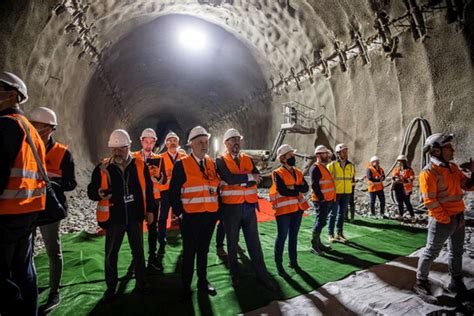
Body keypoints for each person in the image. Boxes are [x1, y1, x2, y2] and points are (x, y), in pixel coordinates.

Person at [87, 129, 155, 302]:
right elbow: (91, 191)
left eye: (121, 148)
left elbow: (149, 189)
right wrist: (98, 193)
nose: (117, 152)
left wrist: (150, 211)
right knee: (111, 254)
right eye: (114, 149)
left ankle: (142, 283)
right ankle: (111, 287)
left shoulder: (140, 165)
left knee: (138, 252)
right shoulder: (103, 167)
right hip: (114, 218)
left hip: (134, 217)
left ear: (129, 147)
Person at [0, 71, 46, 316]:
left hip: (6, 214)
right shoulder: (31, 130)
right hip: (28, 212)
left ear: (13, 95)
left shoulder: (6, 126)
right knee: (23, 271)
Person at [414, 133, 474, 304]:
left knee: (456, 251)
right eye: (448, 147)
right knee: (431, 251)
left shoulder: (453, 168)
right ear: (437, 151)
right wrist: (445, 219)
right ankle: (420, 281)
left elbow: (467, 186)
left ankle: (456, 281)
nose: (453, 150)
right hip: (443, 220)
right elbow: (430, 201)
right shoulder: (428, 173)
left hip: (458, 217)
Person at [29, 107, 77, 313]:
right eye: (34, 126)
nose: (37, 131)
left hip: (50, 210)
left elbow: (71, 183)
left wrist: (55, 184)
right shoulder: (24, 148)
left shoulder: (62, 153)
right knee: (25, 253)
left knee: (52, 251)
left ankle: (54, 291)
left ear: (52, 129)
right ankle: (27, 289)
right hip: (27, 207)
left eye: (42, 128)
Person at [216, 128, 274, 289]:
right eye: (232, 139)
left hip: (249, 207)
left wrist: (239, 180)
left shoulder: (247, 159)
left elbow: (258, 178)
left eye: (237, 139)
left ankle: (262, 275)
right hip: (231, 208)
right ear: (226, 143)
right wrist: (248, 178)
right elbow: (228, 177)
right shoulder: (220, 160)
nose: (236, 142)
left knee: (254, 243)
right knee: (232, 244)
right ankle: (235, 274)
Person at [169, 126, 219, 298]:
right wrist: (181, 214)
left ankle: (203, 281)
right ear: (191, 144)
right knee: (189, 252)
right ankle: (185, 285)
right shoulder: (181, 165)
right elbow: (173, 193)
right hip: (190, 217)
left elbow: (215, 187)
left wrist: (216, 213)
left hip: (209, 216)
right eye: (200, 143)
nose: (204, 146)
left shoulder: (211, 163)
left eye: (206, 142)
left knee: (203, 251)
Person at [269, 144, 309, 275]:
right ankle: (278, 264)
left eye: (293, 155)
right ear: (283, 158)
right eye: (290, 155)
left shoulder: (297, 172)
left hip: (297, 210)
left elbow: (306, 188)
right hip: (284, 212)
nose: (293, 157)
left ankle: (293, 261)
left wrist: (293, 188)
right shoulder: (277, 173)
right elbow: (283, 190)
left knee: (293, 237)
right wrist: (297, 188)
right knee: (282, 237)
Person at [132, 128, 163, 272]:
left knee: (152, 229)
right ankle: (136, 259)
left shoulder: (158, 159)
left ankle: (152, 257)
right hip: (137, 200)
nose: (149, 145)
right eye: (146, 142)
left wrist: (158, 175)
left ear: (155, 142)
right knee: (135, 230)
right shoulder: (133, 158)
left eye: (151, 142)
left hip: (154, 199)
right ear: (141, 141)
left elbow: (163, 181)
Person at [156, 131, 186, 255]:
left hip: (179, 191)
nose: (172, 143)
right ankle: (161, 239)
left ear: (178, 142)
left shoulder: (183, 157)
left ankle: (186, 238)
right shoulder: (160, 158)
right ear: (166, 143)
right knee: (163, 216)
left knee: (182, 216)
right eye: (170, 141)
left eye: (174, 140)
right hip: (166, 191)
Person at [309, 145, 336, 255]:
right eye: (325, 153)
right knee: (321, 222)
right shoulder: (315, 168)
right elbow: (315, 186)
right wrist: (322, 199)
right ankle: (314, 245)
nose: (327, 155)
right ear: (318, 155)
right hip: (322, 201)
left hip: (327, 200)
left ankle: (318, 244)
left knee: (321, 221)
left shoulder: (323, 167)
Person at [327, 143, 355, 243]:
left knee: (342, 214)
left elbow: (351, 179)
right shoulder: (332, 165)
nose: (346, 153)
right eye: (344, 151)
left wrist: (351, 192)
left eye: (346, 151)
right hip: (335, 193)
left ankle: (339, 233)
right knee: (333, 214)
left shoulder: (351, 165)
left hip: (346, 193)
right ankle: (330, 234)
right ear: (338, 153)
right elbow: (327, 180)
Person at [391, 154, 415, 218]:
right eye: (399, 161)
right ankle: (401, 215)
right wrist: (396, 178)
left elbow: (411, 178)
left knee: (407, 203)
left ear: (404, 162)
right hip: (398, 188)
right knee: (400, 202)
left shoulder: (409, 170)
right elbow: (393, 177)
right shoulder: (396, 169)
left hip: (405, 189)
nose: (400, 162)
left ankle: (412, 216)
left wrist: (403, 179)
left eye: (401, 161)